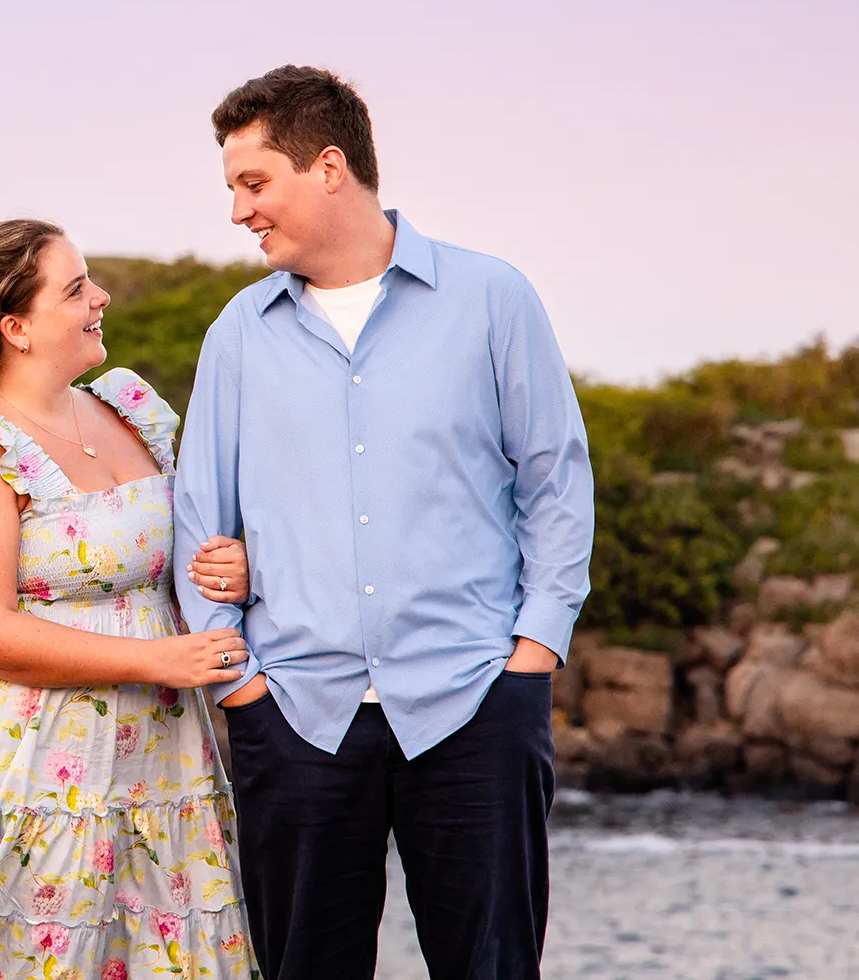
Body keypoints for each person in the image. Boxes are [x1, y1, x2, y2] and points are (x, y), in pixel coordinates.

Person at [173, 65, 594, 980]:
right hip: (296, 716)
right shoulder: (240, 333)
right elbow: (199, 518)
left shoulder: (492, 299)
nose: (239, 212)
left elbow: (554, 482)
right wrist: (238, 685)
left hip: (476, 701)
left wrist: (534, 656)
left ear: (328, 167)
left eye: (254, 184)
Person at [0, 218, 264, 979]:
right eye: (77, 288)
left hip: (157, 760)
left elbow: (171, 562)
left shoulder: (128, 411)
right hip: (34, 763)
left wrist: (232, 569)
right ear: (15, 326)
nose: (101, 297)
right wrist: (157, 658)